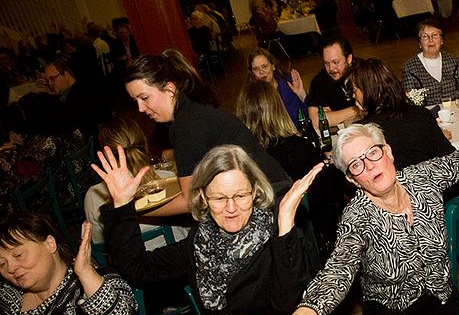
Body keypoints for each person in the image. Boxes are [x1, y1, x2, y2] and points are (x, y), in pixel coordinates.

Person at [234, 56, 459, 315]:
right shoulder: (357, 216)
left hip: (441, 300)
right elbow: (336, 275)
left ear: (388, 152)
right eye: (356, 165)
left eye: (373, 154)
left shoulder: (425, 177)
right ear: (351, 179)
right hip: (390, 313)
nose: (370, 166)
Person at [94, 144, 320, 315]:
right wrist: (122, 205)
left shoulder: (278, 235)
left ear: (255, 192)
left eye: (241, 196)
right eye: (219, 198)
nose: (231, 208)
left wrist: (284, 227)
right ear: (203, 196)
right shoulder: (200, 241)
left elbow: (290, 305)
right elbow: (138, 268)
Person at [124, 49, 291, 217]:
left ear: (170, 89)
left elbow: (190, 201)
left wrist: (131, 210)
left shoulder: (185, 125)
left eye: (144, 98)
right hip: (273, 189)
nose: (140, 108)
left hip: (271, 199)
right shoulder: (192, 110)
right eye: (135, 101)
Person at [0, 214, 147, 315]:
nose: (11, 268)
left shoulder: (96, 284)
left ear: (50, 244)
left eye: (18, 255)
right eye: (2, 263)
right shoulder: (8, 301)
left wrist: (85, 273)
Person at [236, 80, 346, 262]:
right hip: (315, 245)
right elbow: (333, 192)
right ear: (278, 108)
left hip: (268, 251)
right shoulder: (301, 148)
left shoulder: (242, 161)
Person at [84, 116, 190, 248]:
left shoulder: (94, 195)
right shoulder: (171, 179)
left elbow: (101, 244)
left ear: (106, 155)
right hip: (182, 253)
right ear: (144, 142)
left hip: (133, 262)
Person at [351, 57, 454, 169]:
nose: (353, 96)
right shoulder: (422, 114)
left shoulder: (362, 132)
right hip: (433, 183)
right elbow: (450, 157)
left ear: (367, 91)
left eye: (355, 90)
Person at [402, 18, 459, 105]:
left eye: (435, 35)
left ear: (442, 40)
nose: (431, 40)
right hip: (427, 115)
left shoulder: (453, 61)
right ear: (419, 43)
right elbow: (411, 103)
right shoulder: (410, 68)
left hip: (455, 111)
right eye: (425, 36)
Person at [42, 58, 112, 137]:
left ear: (66, 74)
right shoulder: (79, 87)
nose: (50, 84)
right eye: (47, 81)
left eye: (52, 79)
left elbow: (62, 127)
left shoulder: (78, 96)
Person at [306, 36, 360, 130]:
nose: (330, 69)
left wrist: (332, 116)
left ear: (349, 59)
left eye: (335, 62)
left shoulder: (365, 71)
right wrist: (358, 110)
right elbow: (315, 121)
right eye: (326, 63)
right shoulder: (319, 81)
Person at [246, 48, 308, 129]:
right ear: (252, 73)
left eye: (264, 66)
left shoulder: (289, 84)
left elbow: (309, 114)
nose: (261, 72)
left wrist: (302, 95)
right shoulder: (252, 97)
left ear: (273, 66)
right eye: (255, 69)